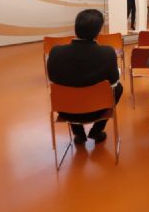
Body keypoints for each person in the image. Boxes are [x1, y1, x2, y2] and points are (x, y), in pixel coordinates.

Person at [47, 9, 123, 144]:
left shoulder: (56, 52)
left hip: (66, 110)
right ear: (99, 31)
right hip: (97, 110)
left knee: (65, 89)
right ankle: (97, 130)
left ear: (76, 28)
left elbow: (53, 79)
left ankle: (78, 133)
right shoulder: (107, 53)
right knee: (119, 88)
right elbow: (114, 81)